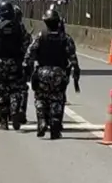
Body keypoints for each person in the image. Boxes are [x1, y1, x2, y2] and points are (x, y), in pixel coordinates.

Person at [23, 7, 80, 139]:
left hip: (42, 72)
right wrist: (76, 73)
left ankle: (42, 120)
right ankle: (55, 125)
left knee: (40, 98)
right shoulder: (65, 38)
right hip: (59, 73)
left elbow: (29, 54)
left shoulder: (40, 36)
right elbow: (73, 58)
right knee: (57, 99)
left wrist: (27, 68)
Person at [0, 1, 30, 130]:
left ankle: (3, 120)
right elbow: (26, 42)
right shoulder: (19, 26)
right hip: (15, 62)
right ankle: (15, 110)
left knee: (1, 91)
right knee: (15, 89)